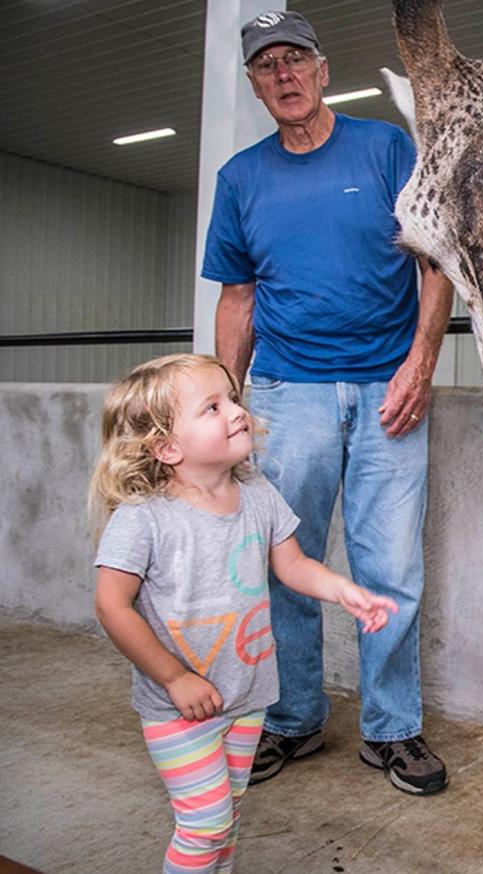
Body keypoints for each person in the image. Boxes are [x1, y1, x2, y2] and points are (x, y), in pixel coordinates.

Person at [201, 10, 455, 794]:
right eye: (266, 65)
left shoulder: (384, 148)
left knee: (391, 566)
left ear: (322, 68)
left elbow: (438, 264)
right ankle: (294, 718)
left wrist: (421, 362)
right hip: (286, 393)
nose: (282, 75)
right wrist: (225, 401)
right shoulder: (241, 177)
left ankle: (391, 729)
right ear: (253, 83)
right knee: (283, 562)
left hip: (389, 392)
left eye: (294, 59)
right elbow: (238, 297)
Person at [90, 354, 398, 874]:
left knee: (226, 817)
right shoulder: (143, 519)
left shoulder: (257, 493)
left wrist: (342, 590)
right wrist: (174, 679)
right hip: (179, 707)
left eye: (233, 398)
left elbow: (294, 564)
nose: (236, 411)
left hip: (248, 693)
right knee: (204, 824)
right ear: (166, 447)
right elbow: (111, 605)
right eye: (212, 407)